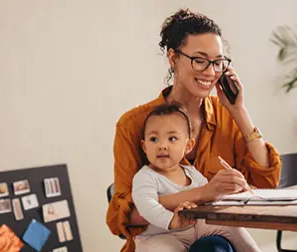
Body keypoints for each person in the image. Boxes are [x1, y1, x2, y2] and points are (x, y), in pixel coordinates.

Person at [106, 8, 281, 252]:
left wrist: (240, 112)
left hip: (217, 241)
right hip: (160, 240)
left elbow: (266, 182)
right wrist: (204, 194)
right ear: (173, 58)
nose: (210, 72)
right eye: (200, 60)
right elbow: (124, 218)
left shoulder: (226, 114)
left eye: (218, 63)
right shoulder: (133, 125)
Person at [131, 103, 261, 252]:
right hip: (160, 236)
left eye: (172, 138)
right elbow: (146, 207)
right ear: (144, 146)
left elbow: (209, 198)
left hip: (195, 228)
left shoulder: (191, 172)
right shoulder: (145, 177)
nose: (162, 145)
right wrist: (171, 220)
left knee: (231, 227)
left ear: (188, 146)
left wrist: (229, 191)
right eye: (154, 139)